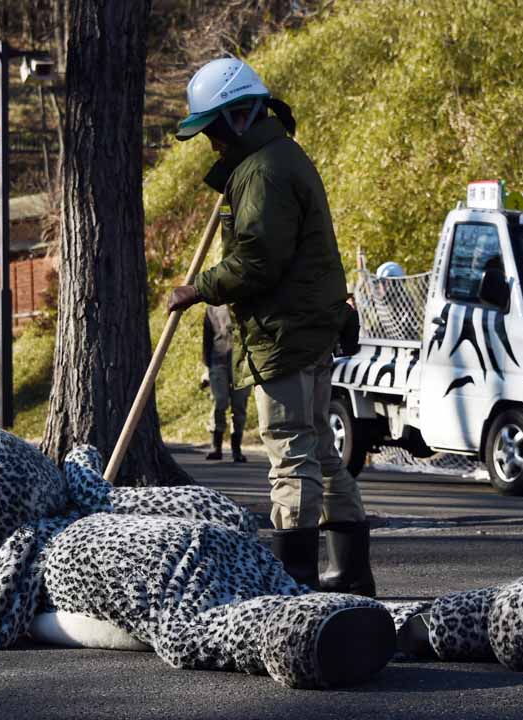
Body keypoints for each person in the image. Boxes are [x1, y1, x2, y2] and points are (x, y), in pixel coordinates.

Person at [166, 58, 375, 594]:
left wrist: (199, 288)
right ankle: (350, 577)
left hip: (285, 331)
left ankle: (294, 586)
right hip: (309, 327)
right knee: (320, 452)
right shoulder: (278, 157)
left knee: (291, 454)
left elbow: (258, 260)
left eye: (213, 130)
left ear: (240, 117)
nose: (211, 143)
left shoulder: (263, 171)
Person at [202, 303, 249, 462]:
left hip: (241, 363)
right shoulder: (212, 308)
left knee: (239, 405)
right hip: (218, 361)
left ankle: (237, 448)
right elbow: (206, 339)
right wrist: (206, 368)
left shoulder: (245, 301)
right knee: (219, 401)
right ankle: (216, 446)